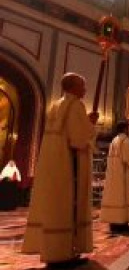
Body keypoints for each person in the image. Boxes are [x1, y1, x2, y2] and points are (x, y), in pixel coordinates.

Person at [22, 72, 98, 268]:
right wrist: (91, 125)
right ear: (73, 87)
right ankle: (63, 254)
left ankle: (53, 252)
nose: (85, 89)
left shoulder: (56, 105)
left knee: (54, 208)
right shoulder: (75, 105)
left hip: (52, 164)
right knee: (67, 206)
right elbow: (78, 139)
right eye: (82, 85)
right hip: (68, 165)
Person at [100, 122, 129, 234]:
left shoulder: (114, 141)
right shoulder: (125, 141)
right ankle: (122, 225)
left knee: (114, 198)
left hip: (113, 174)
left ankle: (114, 224)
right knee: (123, 197)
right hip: (122, 174)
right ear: (124, 129)